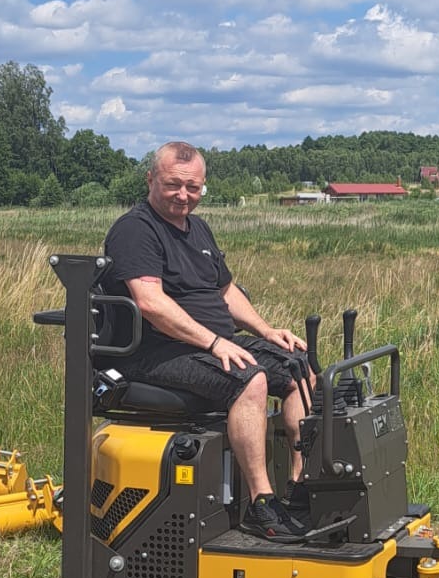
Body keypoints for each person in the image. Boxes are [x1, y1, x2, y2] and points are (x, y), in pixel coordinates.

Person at [103, 141, 310, 540]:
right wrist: (215, 344)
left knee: (301, 368)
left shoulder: (197, 228)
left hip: (211, 344)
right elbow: (151, 304)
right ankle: (261, 503)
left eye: (193, 188)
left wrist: (267, 331)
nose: (184, 196)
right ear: (151, 180)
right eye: (173, 185)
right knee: (250, 378)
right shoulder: (135, 230)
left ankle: (297, 488)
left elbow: (226, 291)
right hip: (157, 351)